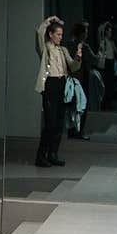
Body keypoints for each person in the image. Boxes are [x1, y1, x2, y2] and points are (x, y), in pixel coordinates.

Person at [33, 15, 81, 167]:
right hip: (50, 85)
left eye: (61, 34)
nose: (60, 37)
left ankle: (53, 154)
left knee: (59, 122)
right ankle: (41, 156)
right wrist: (49, 21)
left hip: (62, 84)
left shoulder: (63, 50)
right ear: (51, 34)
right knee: (50, 123)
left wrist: (78, 58)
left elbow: (72, 67)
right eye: (58, 34)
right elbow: (39, 33)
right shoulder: (45, 48)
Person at [68, 22, 99, 140]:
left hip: (70, 78)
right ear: (81, 33)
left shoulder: (69, 45)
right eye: (85, 31)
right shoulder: (84, 47)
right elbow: (95, 60)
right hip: (82, 78)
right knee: (82, 105)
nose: (87, 34)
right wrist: (101, 52)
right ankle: (79, 132)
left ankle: (71, 130)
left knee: (72, 105)